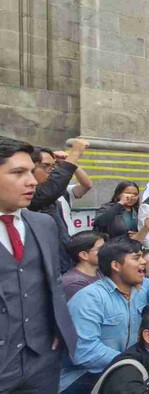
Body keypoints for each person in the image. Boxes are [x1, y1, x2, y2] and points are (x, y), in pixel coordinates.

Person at [62, 238, 149, 392]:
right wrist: (137, 362)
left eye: (142, 256)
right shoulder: (89, 298)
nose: (143, 262)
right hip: (87, 376)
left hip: (132, 369)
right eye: (136, 258)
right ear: (115, 266)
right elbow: (85, 352)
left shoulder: (144, 286)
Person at [0, 136, 78, 393]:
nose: (32, 181)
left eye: (32, 172)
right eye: (18, 172)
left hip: (42, 362)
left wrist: (56, 329)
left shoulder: (43, 224)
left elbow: (52, 282)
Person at [30, 139, 90, 273]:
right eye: (45, 165)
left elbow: (87, 185)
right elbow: (50, 189)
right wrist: (75, 153)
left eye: (53, 166)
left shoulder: (55, 196)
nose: (51, 171)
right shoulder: (31, 197)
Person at [62, 230, 107, 300]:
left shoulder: (100, 272)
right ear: (84, 255)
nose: (106, 251)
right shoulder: (74, 283)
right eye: (100, 248)